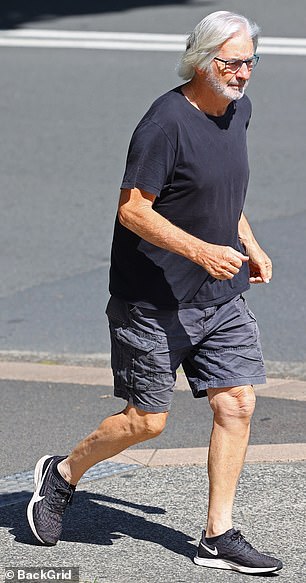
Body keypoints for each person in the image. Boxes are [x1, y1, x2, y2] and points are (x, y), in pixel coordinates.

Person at [27, 10, 283, 574]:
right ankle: (63, 474)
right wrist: (200, 252)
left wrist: (249, 242)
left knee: (237, 402)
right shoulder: (164, 124)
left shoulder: (238, 112)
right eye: (231, 63)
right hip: (153, 300)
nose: (243, 74)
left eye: (249, 62)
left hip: (221, 294)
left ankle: (218, 534)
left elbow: (219, 192)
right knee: (146, 421)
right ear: (201, 60)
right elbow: (131, 208)